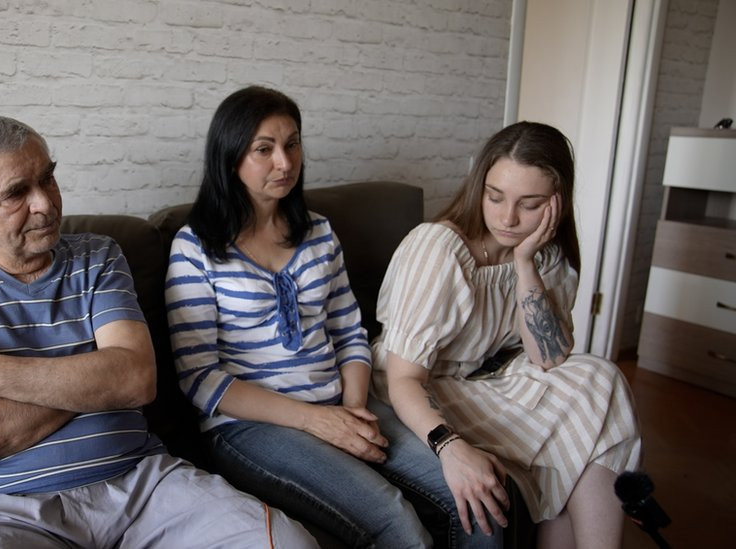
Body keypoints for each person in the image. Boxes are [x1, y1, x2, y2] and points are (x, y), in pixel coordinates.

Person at [0, 115, 316, 549]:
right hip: (0, 507)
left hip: (141, 486)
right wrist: (97, 375)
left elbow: (136, 380)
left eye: (48, 178)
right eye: (16, 193)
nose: (45, 202)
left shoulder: (98, 255)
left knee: (288, 543)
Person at [165, 86, 501, 549]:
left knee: (479, 497)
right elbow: (199, 378)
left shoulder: (319, 232)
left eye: (293, 143)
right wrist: (316, 421)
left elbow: (350, 332)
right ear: (230, 157)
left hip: (342, 402)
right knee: (394, 519)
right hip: (250, 428)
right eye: (264, 149)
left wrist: (353, 408)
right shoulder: (195, 246)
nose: (285, 162)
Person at [371, 121, 642, 549]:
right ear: (479, 186)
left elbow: (548, 358)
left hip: (491, 384)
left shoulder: (543, 255)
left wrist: (524, 263)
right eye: (495, 196)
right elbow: (403, 379)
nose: (507, 217)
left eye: (529, 203)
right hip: (420, 393)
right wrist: (450, 447)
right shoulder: (439, 248)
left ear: (557, 203)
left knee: (600, 379)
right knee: (588, 428)